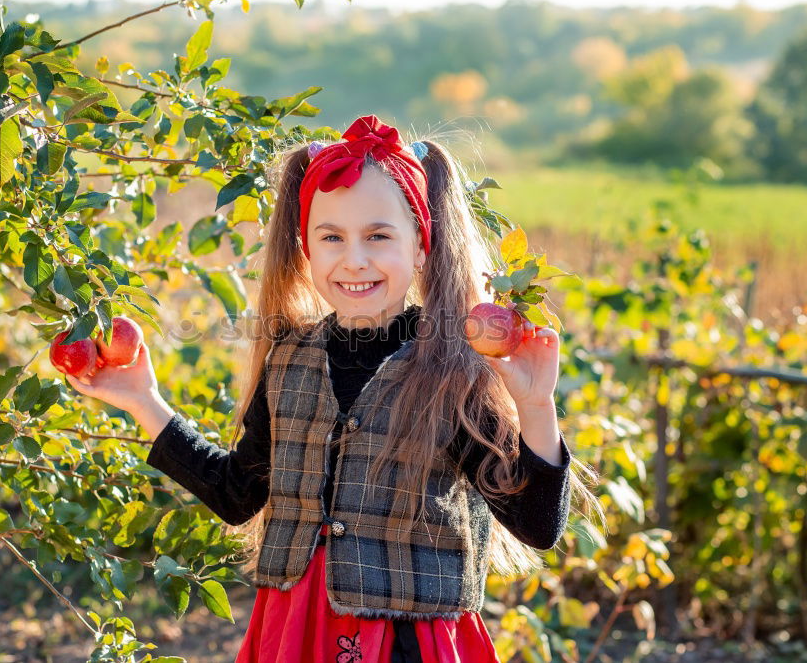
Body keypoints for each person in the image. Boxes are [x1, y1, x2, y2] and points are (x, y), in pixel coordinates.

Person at [66, 114, 600, 662]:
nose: (355, 259)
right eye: (331, 237)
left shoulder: (452, 373)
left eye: (378, 235)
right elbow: (235, 494)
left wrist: (535, 407)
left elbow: (536, 524)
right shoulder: (288, 358)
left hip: (406, 642)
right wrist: (142, 399)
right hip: (293, 631)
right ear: (306, 249)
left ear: (421, 246)